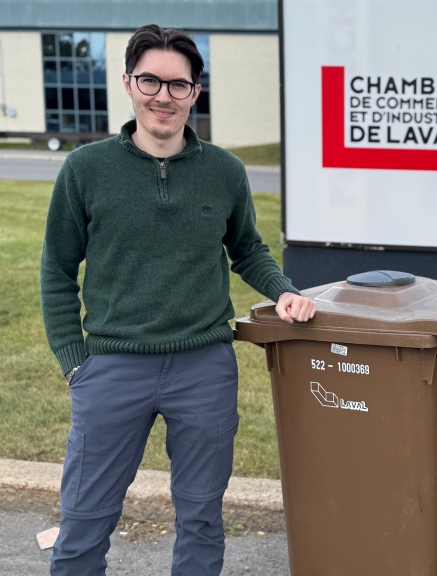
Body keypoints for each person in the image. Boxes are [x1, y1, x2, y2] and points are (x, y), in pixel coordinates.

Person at [41, 24, 315, 576]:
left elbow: (247, 250)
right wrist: (76, 363)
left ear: (195, 91)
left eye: (178, 85)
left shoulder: (225, 172)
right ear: (127, 82)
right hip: (112, 367)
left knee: (201, 517)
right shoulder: (85, 170)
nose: (163, 96)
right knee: (85, 519)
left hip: (203, 367)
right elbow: (56, 270)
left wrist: (284, 291)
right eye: (150, 81)